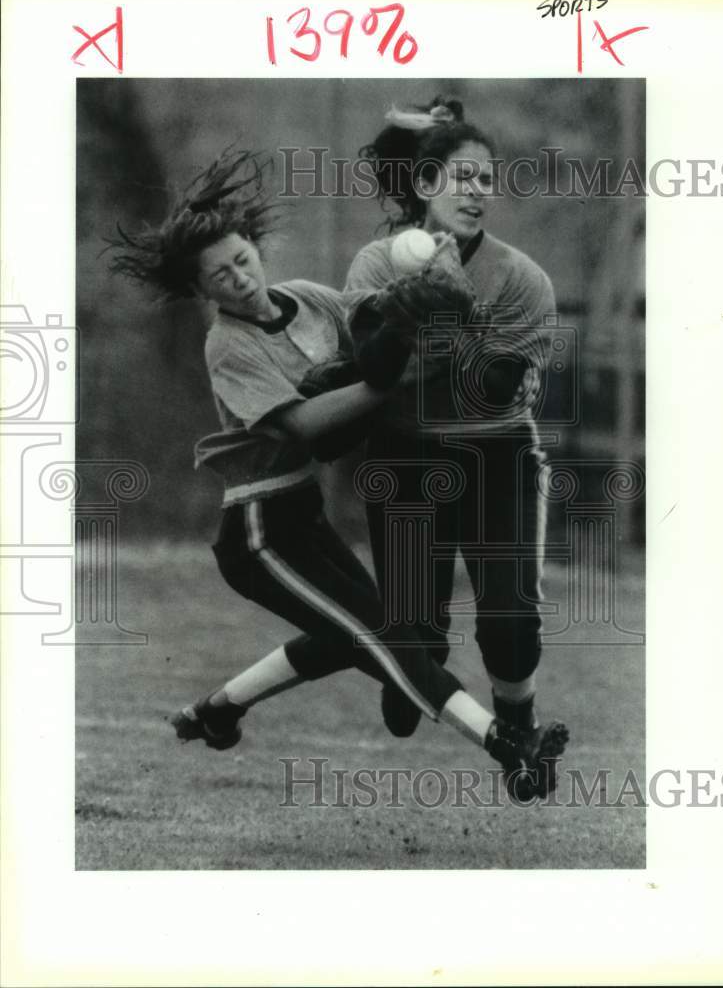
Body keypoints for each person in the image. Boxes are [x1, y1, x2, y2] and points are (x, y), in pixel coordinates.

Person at [108, 148, 555, 802]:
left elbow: (373, 346)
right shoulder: (228, 345)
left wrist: (418, 315)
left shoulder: (311, 301)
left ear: (257, 250)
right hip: (258, 533)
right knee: (386, 638)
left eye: (241, 258)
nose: (237, 276)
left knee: (362, 633)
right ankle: (508, 745)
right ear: (201, 292)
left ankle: (218, 711)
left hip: (305, 519)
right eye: (218, 275)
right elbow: (309, 430)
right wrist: (402, 372)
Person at [344, 99, 569, 793]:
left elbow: (496, 388)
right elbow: (374, 372)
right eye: (461, 176)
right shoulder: (378, 263)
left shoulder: (523, 279)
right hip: (406, 458)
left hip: (496, 454)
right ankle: (419, 667)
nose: (477, 190)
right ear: (423, 185)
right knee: (416, 644)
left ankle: (519, 722)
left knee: (508, 622)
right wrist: (406, 308)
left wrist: (458, 303)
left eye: (486, 178)